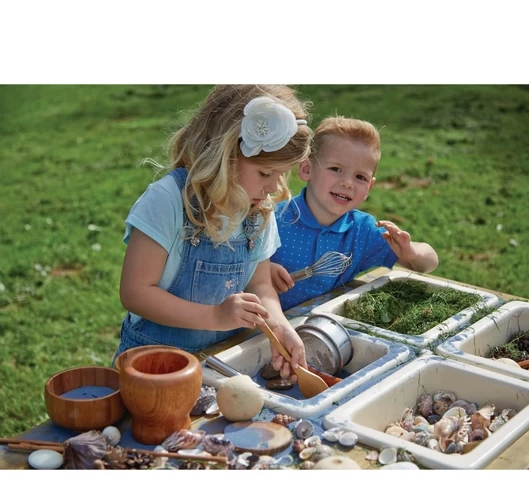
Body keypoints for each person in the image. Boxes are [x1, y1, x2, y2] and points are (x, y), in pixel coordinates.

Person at [113, 85, 313, 380]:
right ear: (224, 154)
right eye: (265, 173)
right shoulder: (168, 200)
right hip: (153, 372)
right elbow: (135, 293)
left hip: (221, 366)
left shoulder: (258, 210)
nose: (273, 186)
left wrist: (279, 325)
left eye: (280, 174)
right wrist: (215, 317)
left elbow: (260, 284)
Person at [270, 116, 439, 310]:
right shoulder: (271, 219)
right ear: (307, 169)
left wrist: (411, 252)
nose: (347, 183)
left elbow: (429, 263)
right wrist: (261, 272)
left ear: (369, 187)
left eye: (360, 177)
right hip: (261, 325)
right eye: (336, 169)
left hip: (325, 323)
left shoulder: (362, 231)